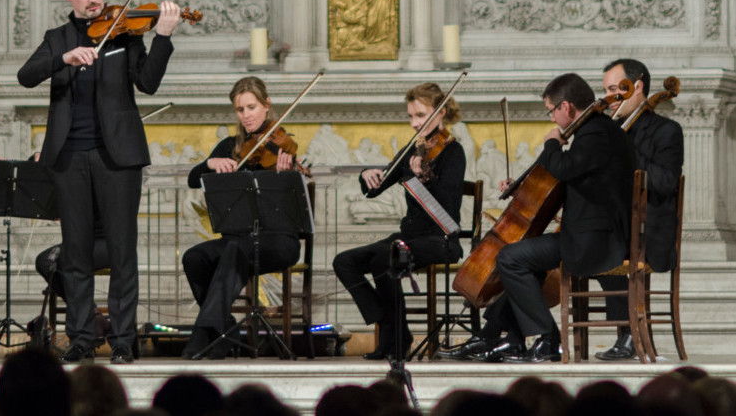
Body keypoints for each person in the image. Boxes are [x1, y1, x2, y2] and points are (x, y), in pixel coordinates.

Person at [17, 0, 181, 364]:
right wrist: (65, 58)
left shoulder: (125, 35)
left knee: (123, 251)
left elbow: (148, 83)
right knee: (76, 254)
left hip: (118, 157)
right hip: (69, 156)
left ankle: (124, 341)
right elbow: (26, 74)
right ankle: (82, 339)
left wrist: (162, 35)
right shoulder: (57, 38)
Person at [483, 72, 634, 363]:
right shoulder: (600, 131)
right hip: (594, 235)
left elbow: (565, 169)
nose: (552, 119)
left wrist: (552, 144)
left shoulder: (595, 133)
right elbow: (572, 180)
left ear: (566, 106)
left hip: (594, 241)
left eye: (551, 111)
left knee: (510, 258)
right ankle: (509, 336)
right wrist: (523, 188)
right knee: (527, 260)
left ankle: (546, 339)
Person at [333, 82, 467, 360]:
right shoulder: (412, 149)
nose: (414, 123)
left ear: (440, 113)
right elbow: (375, 189)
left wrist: (424, 178)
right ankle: (391, 326)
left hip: (441, 239)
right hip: (410, 238)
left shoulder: (453, 152)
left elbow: (447, 206)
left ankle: (394, 337)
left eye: (420, 115)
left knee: (386, 255)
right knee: (344, 261)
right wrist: (367, 175)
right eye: (410, 116)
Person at [180, 77, 306, 359]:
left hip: (279, 241)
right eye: (240, 110)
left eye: (252, 107)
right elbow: (192, 179)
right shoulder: (229, 147)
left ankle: (203, 333)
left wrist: (289, 177)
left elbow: (296, 205)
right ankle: (225, 329)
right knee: (194, 258)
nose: (246, 115)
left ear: (267, 105)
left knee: (237, 248)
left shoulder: (283, 147)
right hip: (239, 238)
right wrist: (209, 164)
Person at [596, 58, 684, 361]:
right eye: (605, 90)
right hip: (617, 227)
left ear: (637, 87)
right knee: (585, 239)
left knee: (600, 244)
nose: (608, 98)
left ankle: (629, 333)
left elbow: (665, 180)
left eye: (613, 90)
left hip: (650, 232)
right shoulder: (610, 130)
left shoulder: (667, 131)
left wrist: (626, 153)